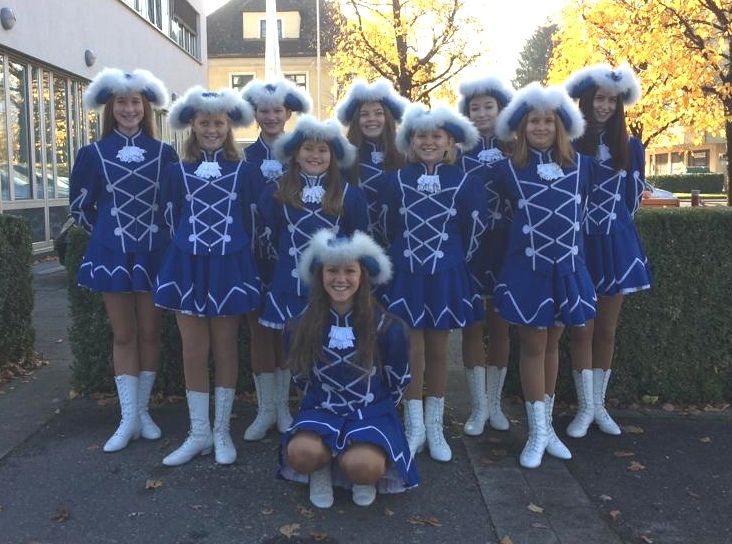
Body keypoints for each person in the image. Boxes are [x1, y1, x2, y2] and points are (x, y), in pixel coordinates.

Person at [70, 67, 177, 453]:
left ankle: (142, 412)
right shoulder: (93, 153)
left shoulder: (165, 153)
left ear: (145, 107)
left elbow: (174, 205)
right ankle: (127, 416)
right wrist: (106, 233)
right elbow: (80, 206)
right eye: (121, 102)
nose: (129, 109)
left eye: (135, 102)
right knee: (124, 333)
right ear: (110, 107)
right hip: (112, 253)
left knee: (150, 331)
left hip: (153, 252)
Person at [155, 87, 261, 466]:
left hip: (229, 266)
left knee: (226, 347)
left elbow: (252, 221)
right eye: (204, 122)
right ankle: (198, 433)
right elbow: (169, 218)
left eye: (218, 122)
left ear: (228, 126)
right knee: (194, 349)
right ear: (192, 125)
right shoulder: (175, 171)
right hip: (187, 266)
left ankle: (221, 431)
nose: (212, 129)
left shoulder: (245, 172)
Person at [492, 82, 595, 468]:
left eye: (548, 121)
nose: (540, 127)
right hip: (527, 272)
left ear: (560, 125)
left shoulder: (583, 166)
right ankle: (536, 433)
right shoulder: (507, 170)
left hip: (567, 270)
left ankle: (548, 428)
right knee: (533, 347)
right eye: (533, 121)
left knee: (553, 346)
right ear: (521, 127)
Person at [380, 103, 489, 462]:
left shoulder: (465, 182)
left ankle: (436, 426)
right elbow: (386, 226)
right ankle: (414, 427)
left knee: (439, 350)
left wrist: (452, 260)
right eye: (421, 136)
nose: (428, 142)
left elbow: (474, 230)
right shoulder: (395, 180)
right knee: (412, 350)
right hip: (407, 273)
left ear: (449, 142)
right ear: (410, 141)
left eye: (436, 136)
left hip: (446, 273)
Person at [280, 229, 418, 508]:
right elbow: (300, 376)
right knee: (300, 453)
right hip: (321, 408)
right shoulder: (300, 325)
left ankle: (357, 464)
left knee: (364, 466)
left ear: (362, 276)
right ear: (320, 275)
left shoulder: (387, 327)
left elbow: (398, 380)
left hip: (371, 410)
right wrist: (319, 403)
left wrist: (373, 407)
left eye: (349, 271)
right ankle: (321, 467)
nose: (340, 279)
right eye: (332, 270)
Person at [564, 64, 652, 438]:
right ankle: (584, 407)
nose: (604, 106)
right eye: (599, 99)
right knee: (581, 329)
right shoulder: (568, 144)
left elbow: (632, 199)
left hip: (616, 244)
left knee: (606, 329)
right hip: (578, 244)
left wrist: (616, 230)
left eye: (612, 101)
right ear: (586, 101)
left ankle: (599, 406)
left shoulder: (631, 147)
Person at [239, 79, 312, 441]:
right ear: (255, 114)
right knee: (258, 332)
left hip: (290, 257)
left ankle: (283, 406)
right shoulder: (243, 158)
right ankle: (264, 408)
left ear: (288, 114)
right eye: (264, 110)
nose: (270, 117)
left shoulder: (302, 155)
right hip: (253, 256)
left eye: (277, 110)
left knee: (287, 331)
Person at [257, 115, 369, 331]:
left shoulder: (350, 194)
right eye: (308, 148)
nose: (315, 155)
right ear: (296, 155)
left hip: (332, 286)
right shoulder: (276, 191)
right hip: (289, 283)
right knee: (291, 345)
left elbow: (357, 240)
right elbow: (270, 237)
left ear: (332, 156)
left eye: (323, 150)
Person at [456, 75, 515, 436]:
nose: (481, 114)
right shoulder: (457, 152)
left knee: (501, 326)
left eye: (488, 107)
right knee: (472, 326)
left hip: (507, 246)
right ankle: (478, 407)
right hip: (472, 249)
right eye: (474, 108)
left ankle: (495, 405)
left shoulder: (516, 148)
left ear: (500, 109)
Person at [335, 79, 409, 243]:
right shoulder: (344, 158)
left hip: (398, 243)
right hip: (357, 244)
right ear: (356, 120)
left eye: (378, 113)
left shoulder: (405, 155)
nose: (371, 118)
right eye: (364, 114)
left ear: (387, 117)